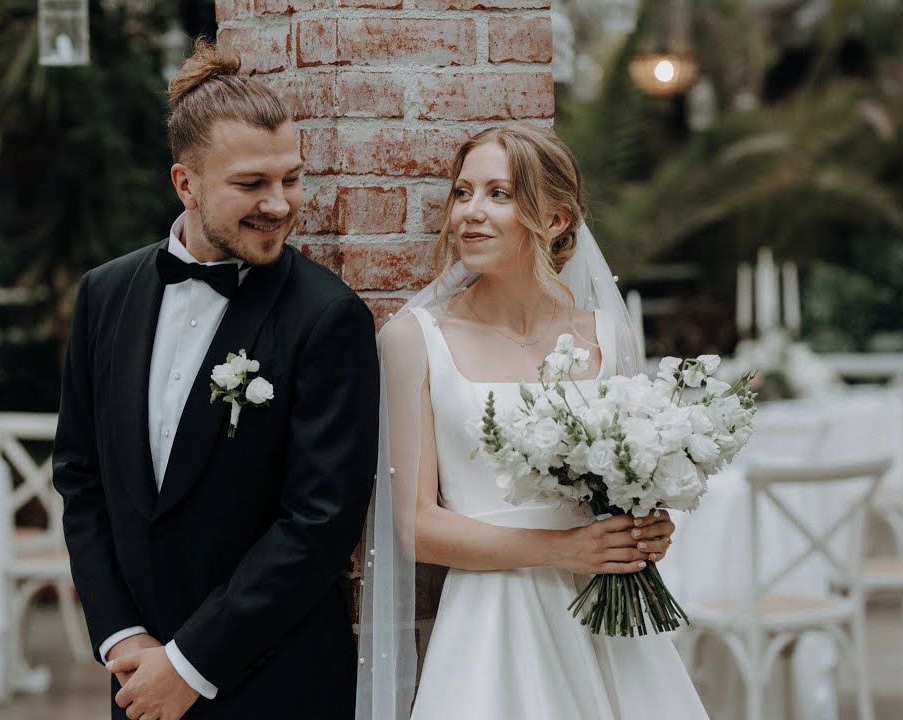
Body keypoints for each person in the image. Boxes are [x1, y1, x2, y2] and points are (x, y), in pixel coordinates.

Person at [53, 41, 380, 720]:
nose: (280, 204)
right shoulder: (104, 295)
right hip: (138, 685)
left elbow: (319, 523)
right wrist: (122, 638)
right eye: (251, 183)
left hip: (275, 684)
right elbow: (81, 481)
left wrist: (190, 663)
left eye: (290, 179)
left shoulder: (328, 318)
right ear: (186, 183)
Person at [359, 125, 708, 719]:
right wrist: (562, 549)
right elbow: (414, 527)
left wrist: (648, 529)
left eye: (499, 194)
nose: (470, 212)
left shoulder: (609, 337)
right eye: (462, 192)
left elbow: (632, 484)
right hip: (494, 623)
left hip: (609, 623)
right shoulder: (414, 340)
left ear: (554, 221)